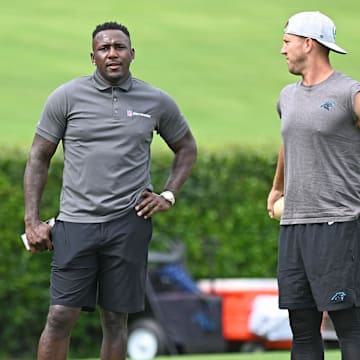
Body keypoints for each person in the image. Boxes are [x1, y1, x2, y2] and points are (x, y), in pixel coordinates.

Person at [23, 21, 197, 360]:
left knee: (116, 320)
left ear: (132, 54)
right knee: (59, 316)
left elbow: (187, 148)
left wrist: (168, 195)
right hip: (75, 224)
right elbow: (38, 157)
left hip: (128, 225)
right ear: (93, 56)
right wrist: (32, 220)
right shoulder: (66, 97)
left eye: (119, 47)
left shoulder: (156, 100)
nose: (112, 53)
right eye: (104, 48)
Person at [267, 11, 360, 360]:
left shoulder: (349, 92)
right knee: (302, 330)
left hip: (339, 224)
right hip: (294, 225)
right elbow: (289, 140)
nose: (282, 50)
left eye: (287, 41)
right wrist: (278, 188)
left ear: (309, 43)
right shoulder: (286, 97)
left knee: (349, 326)